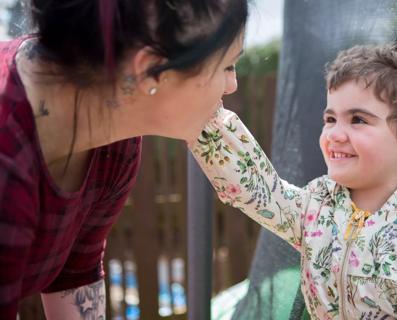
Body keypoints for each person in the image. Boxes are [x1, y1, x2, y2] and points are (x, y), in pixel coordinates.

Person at [189, 44, 397, 319]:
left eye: (358, 120)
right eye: (330, 119)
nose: (335, 135)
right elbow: (257, 188)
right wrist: (203, 114)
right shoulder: (318, 205)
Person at [0, 0, 247, 318]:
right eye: (227, 66)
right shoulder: (8, 164)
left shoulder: (115, 143)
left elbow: (75, 274)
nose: (232, 86)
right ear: (149, 71)